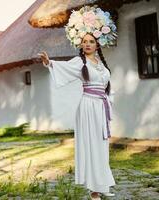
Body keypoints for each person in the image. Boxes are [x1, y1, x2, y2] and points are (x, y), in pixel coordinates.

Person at [38, 5, 118, 200]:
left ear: (97, 44)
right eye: (84, 42)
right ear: (81, 45)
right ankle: (94, 190)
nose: (88, 44)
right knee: (91, 146)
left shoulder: (102, 65)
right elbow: (61, 68)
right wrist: (49, 63)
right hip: (87, 107)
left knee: (101, 146)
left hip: (100, 107)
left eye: (91, 41)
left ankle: (103, 183)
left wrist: (109, 102)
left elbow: (107, 86)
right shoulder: (79, 63)